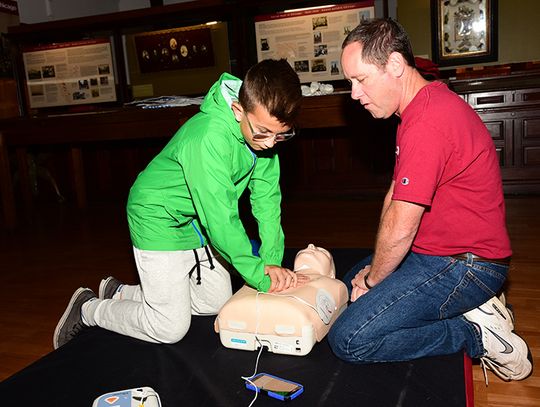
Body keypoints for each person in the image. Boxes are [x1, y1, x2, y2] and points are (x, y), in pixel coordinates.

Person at [327, 18, 532, 383]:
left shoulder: (427, 122)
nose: (354, 94)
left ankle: (479, 335)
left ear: (393, 64)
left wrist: (375, 283)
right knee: (349, 283)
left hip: (468, 266)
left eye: (360, 80)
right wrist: (371, 277)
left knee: (349, 338)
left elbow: (403, 226)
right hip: (437, 254)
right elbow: (395, 198)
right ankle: (470, 311)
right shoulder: (421, 106)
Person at [53, 59, 306, 348]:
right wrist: (261, 277)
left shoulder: (262, 140)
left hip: (195, 218)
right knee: (168, 327)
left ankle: (121, 292)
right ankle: (88, 309)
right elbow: (221, 219)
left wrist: (271, 262)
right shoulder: (208, 138)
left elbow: (267, 203)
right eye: (263, 131)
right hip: (156, 215)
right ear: (238, 110)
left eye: (282, 134)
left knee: (215, 303)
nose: (271, 144)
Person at [215, 244, 348, 355]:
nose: (310, 246)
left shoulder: (336, 285)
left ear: (331, 274)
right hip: (238, 313)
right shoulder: (271, 273)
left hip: (242, 313)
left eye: (321, 251)